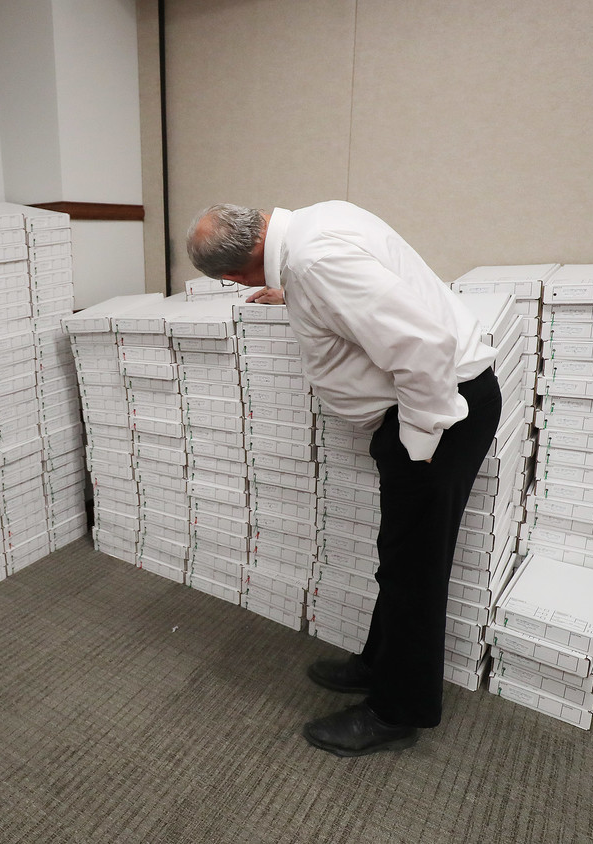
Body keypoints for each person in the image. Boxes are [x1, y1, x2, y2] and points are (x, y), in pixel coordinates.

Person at [186, 202, 500, 757]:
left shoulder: (314, 264)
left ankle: (395, 713)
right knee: (400, 555)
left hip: (437, 413)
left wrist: (423, 441)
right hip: (434, 406)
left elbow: (423, 345)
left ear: (238, 272)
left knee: (416, 571)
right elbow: (364, 288)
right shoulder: (317, 227)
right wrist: (299, 295)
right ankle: (377, 664)